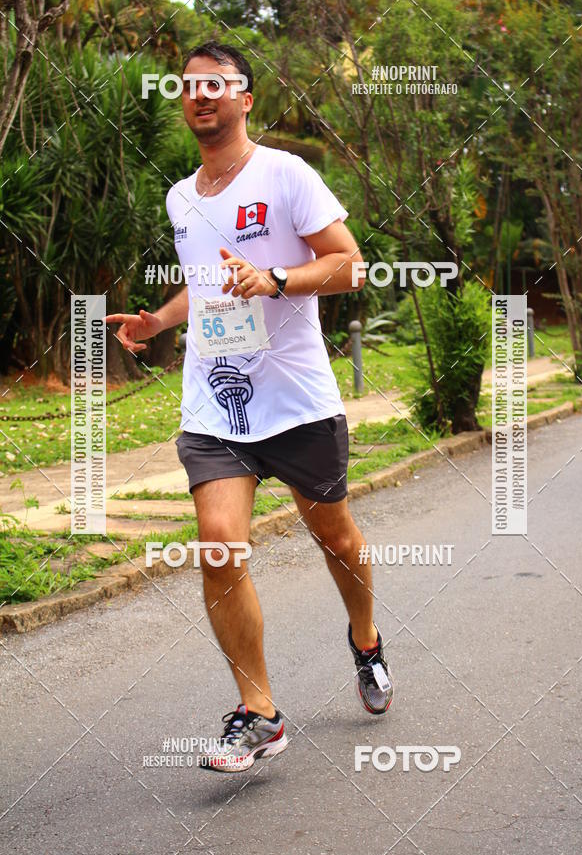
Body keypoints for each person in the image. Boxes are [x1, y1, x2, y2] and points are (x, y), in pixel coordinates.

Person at [106, 41, 393, 774]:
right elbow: (203, 287)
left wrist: (276, 279)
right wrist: (156, 324)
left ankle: (365, 637)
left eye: (215, 85)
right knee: (217, 542)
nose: (199, 96)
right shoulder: (181, 197)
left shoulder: (286, 174)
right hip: (216, 403)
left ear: (245, 98)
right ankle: (259, 710)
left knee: (336, 538)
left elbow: (350, 263)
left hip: (296, 400)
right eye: (188, 87)